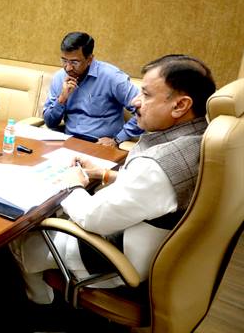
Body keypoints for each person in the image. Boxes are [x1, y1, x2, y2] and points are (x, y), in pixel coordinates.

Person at [11, 55, 216, 310]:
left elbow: (92, 219)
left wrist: (73, 184)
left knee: (18, 235)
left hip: (112, 259)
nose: (135, 102)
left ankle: (41, 304)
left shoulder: (156, 167)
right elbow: (155, 194)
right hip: (145, 243)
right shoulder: (199, 138)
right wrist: (105, 174)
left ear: (181, 105)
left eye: (146, 94)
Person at [43, 32, 143, 146]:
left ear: (90, 59)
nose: (68, 68)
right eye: (64, 61)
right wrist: (62, 99)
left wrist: (117, 139)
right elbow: (50, 123)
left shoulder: (112, 77)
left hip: (100, 145)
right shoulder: (60, 77)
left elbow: (144, 111)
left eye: (75, 62)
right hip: (69, 141)